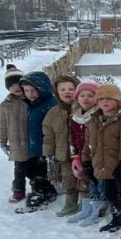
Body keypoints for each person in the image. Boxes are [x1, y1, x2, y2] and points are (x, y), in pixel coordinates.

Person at [84, 82, 121, 233]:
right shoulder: (94, 120)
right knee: (110, 194)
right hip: (102, 165)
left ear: (118, 101)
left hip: (118, 166)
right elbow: (88, 143)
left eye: (109, 99)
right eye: (101, 99)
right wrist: (86, 160)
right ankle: (116, 218)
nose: (104, 102)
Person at [41, 74, 81, 217]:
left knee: (85, 180)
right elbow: (48, 136)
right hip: (63, 154)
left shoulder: (83, 109)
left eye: (71, 88)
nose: (67, 92)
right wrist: (49, 154)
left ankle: (87, 203)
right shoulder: (53, 113)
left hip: (82, 154)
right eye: (62, 89)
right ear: (57, 92)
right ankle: (71, 203)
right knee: (68, 180)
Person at [18, 71, 58, 212]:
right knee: (31, 170)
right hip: (33, 146)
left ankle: (42, 193)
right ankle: (42, 190)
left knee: (39, 171)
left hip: (43, 146)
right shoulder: (32, 104)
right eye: (27, 90)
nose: (30, 93)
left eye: (33, 90)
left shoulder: (50, 104)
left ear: (42, 89)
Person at [68, 81, 106, 226]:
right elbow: (72, 139)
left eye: (90, 95)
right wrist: (75, 157)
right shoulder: (75, 117)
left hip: (96, 156)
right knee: (86, 182)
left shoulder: (98, 115)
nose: (86, 98)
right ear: (77, 98)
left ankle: (98, 210)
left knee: (98, 182)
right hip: (82, 156)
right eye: (82, 95)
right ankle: (86, 208)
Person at [0, 65, 28, 203]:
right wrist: (3, 141)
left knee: (35, 167)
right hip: (16, 142)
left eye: (18, 84)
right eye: (11, 86)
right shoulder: (5, 105)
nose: (16, 88)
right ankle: (18, 191)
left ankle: (39, 188)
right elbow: (3, 125)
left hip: (30, 139)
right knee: (19, 169)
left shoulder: (30, 100)